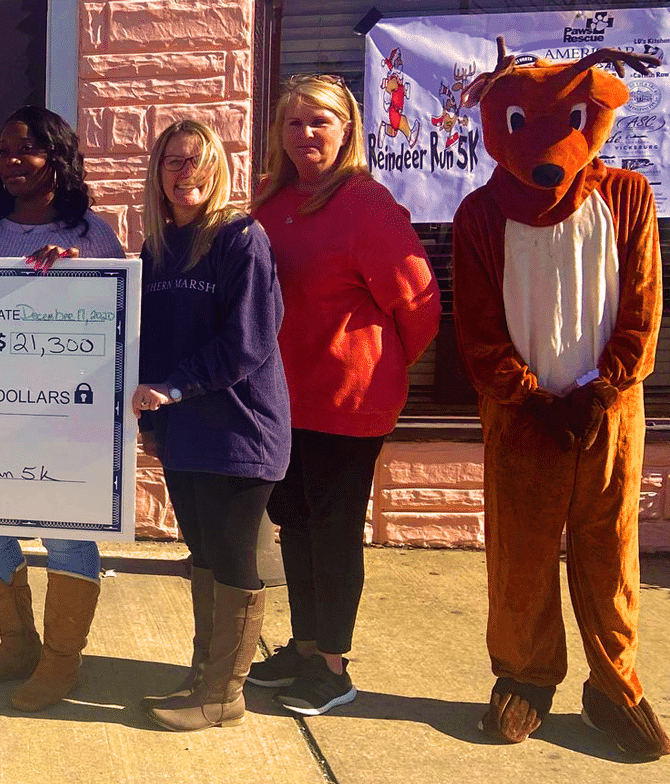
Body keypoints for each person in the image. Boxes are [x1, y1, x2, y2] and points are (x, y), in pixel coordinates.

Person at [246, 74, 439, 715]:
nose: (305, 134)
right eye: (294, 122)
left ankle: (332, 667)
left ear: (347, 129)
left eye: (319, 122)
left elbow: (419, 305)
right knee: (295, 525)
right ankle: (303, 647)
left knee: (332, 533)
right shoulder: (271, 202)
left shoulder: (365, 205)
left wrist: (377, 368)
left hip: (347, 403)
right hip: (282, 399)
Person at [0, 106, 123, 711]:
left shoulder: (90, 233)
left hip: (63, 420)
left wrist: (81, 277)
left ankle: (63, 663)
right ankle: (17, 645)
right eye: (5, 152)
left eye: (27, 150)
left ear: (57, 158)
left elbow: (122, 318)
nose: (12, 161)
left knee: (66, 536)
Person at [128, 119, 290, 731]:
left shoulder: (241, 238)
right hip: (182, 429)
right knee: (202, 552)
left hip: (239, 426)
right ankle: (205, 675)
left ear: (217, 168)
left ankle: (225, 695)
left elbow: (248, 340)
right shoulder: (157, 248)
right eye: (173, 161)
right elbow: (150, 337)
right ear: (158, 173)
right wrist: (152, 414)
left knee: (233, 555)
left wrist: (172, 387)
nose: (185, 172)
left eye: (197, 160)